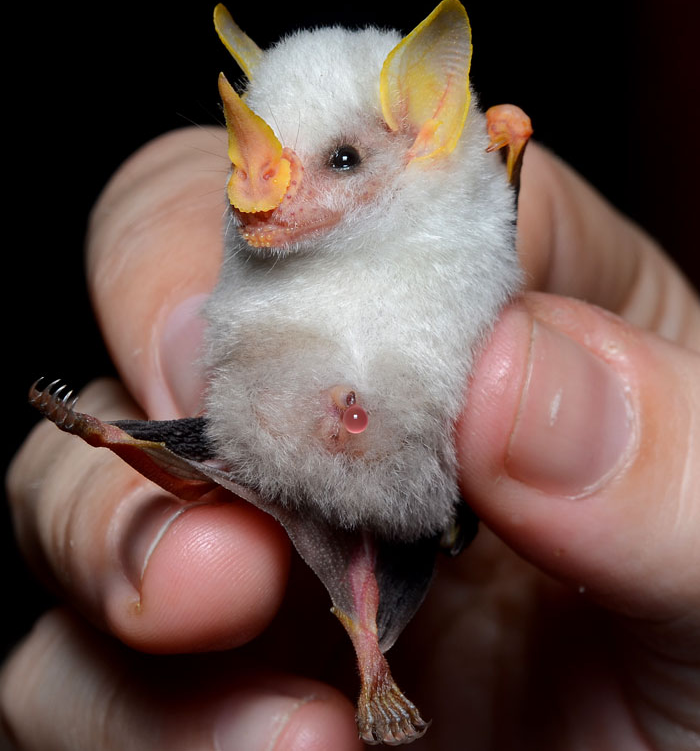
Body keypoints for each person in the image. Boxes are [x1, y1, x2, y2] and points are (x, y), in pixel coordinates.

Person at [3, 125, 699, 750]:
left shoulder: (444, 344)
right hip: (293, 441)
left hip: (390, 464)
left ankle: (371, 669)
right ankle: (102, 432)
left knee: (349, 552)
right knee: (214, 454)